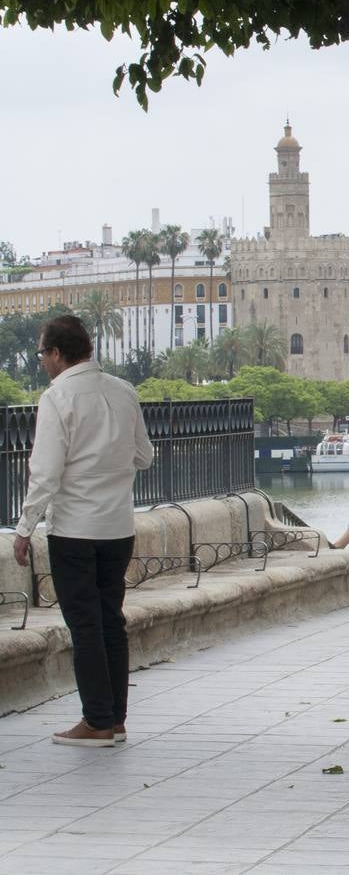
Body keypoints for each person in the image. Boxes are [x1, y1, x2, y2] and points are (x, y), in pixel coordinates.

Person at [12, 315, 154, 747]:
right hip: (117, 527)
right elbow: (144, 456)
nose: (42, 363)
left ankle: (96, 720)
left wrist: (23, 529)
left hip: (74, 529)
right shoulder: (124, 390)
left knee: (85, 625)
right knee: (111, 620)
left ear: (57, 353)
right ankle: (116, 718)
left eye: (42, 354)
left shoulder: (58, 398)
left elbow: (46, 473)